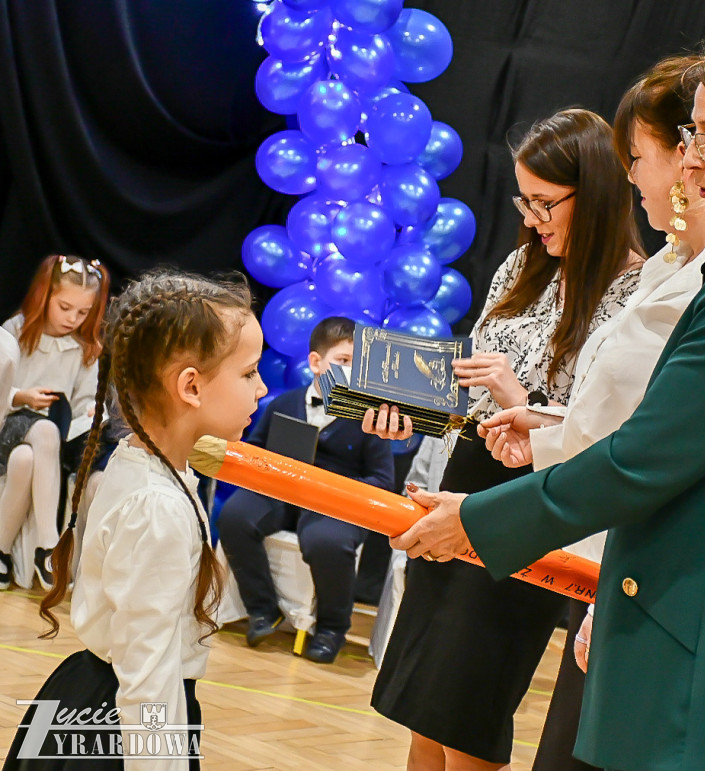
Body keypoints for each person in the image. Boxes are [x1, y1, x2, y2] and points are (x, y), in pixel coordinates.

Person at [388, 27, 705, 770]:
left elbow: (642, 459)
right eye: (689, 136)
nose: (691, 161)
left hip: (692, 643)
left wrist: (476, 521)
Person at [477, 55, 705, 771]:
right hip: (601, 561)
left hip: (642, 579)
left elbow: (666, 458)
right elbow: (628, 425)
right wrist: (549, 428)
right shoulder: (669, 266)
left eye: (638, 156)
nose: (632, 175)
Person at [366, 108, 645, 770]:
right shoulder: (526, 262)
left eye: (546, 202)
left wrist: (522, 398)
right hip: (465, 476)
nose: (531, 217)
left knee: (467, 705)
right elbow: (469, 391)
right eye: (524, 200)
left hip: (531, 501)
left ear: (599, 192)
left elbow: (609, 430)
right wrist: (410, 408)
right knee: (421, 702)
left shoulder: (638, 291)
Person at [3, 270, 267, 770]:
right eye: (249, 372)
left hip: (91, 699)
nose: (263, 386)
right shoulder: (157, 508)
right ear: (190, 386)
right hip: (118, 730)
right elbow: (148, 677)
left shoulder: (141, 464)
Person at [218, 315, 394, 664]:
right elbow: (253, 451)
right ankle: (263, 609)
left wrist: (335, 490)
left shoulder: (371, 419)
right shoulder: (283, 404)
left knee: (327, 542)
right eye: (343, 361)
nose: (350, 371)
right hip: (280, 494)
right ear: (316, 362)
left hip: (336, 505)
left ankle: (331, 629)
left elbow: (383, 480)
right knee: (235, 516)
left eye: (357, 365)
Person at [0, 254, 109, 591]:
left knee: (27, 458)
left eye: (83, 312)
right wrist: (21, 397)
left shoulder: (85, 348)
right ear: (44, 296)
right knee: (42, 431)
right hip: (7, 424)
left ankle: (1, 551)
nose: (73, 319)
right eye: (65, 308)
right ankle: (50, 546)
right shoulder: (14, 331)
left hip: (47, 447)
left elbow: (84, 402)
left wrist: (92, 410)